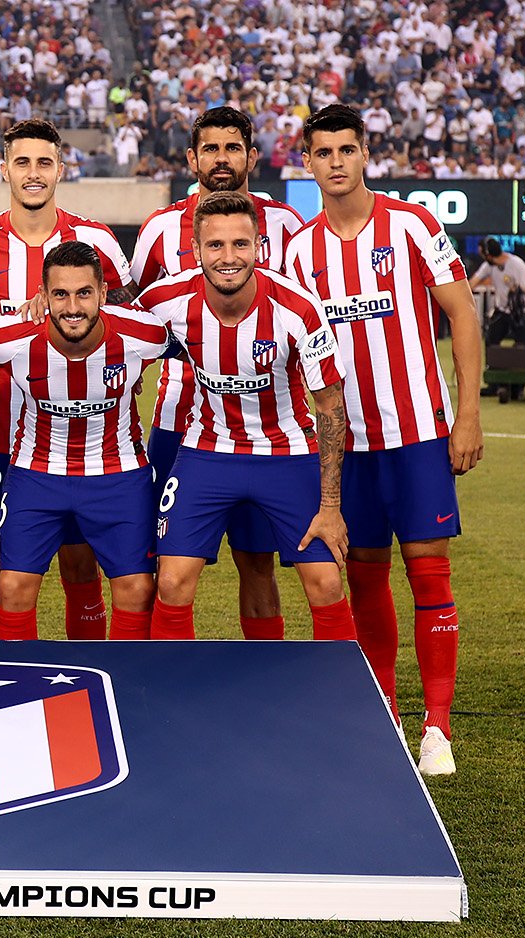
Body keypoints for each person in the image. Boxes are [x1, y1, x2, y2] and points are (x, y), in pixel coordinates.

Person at [285, 104, 483, 777]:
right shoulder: (295, 250)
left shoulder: (413, 225)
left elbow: (460, 315)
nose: (335, 161)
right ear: (306, 162)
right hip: (346, 447)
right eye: (322, 151)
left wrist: (466, 416)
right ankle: (384, 716)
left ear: (364, 154)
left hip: (418, 431)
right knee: (365, 578)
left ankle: (437, 726)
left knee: (428, 572)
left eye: (346, 149)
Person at [138, 192, 357, 643]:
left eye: (240, 244)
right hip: (207, 452)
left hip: (288, 453)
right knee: (173, 580)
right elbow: (107, 328)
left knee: (327, 582)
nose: (228, 257)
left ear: (258, 247)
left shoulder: (297, 310)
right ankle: (167, 701)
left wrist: (331, 508)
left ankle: (339, 703)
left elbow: (332, 410)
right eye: (215, 246)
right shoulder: (164, 302)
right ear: (196, 250)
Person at [129, 106, 307, 643]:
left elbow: (304, 314)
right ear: (192, 157)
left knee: (257, 562)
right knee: (165, 564)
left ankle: (261, 678)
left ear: (252, 156)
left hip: (264, 425)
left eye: (233, 148)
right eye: (211, 149)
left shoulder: (284, 223)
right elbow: (133, 315)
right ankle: (152, 686)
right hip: (178, 420)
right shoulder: (160, 227)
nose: (222, 159)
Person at [0, 117, 134, 640]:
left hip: (78, 441)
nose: (33, 174)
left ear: (61, 168)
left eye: (44, 163)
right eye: (22, 162)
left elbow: (125, 313)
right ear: (3, 168)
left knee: (80, 565)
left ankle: (90, 674)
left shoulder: (96, 239)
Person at [0, 241, 178, 641]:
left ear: (103, 292)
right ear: (43, 295)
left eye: (84, 293)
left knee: (137, 589)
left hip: (118, 477)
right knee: (12, 587)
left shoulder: (144, 335)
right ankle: (19, 685)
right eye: (60, 294)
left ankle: (123, 685)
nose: (72, 307)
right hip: (37, 475)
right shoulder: (9, 340)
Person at [470, 237, 525, 347]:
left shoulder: (517, 264)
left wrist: (517, 290)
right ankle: (492, 364)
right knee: (491, 341)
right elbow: (473, 282)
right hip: (502, 309)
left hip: (520, 311)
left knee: (521, 345)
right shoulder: (488, 266)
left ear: (488, 255)